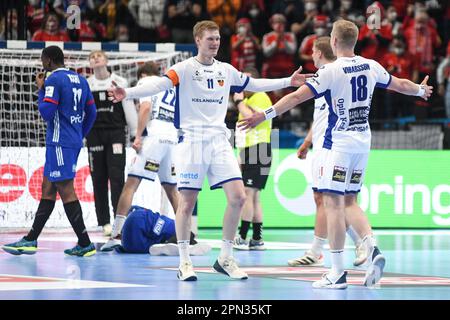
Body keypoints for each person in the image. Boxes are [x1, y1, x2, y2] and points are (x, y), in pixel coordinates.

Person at [107, 20, 312, 281]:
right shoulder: (183, 68)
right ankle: (184, 261)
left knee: (238, 197)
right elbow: (157, 85)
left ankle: (225, 257)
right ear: (198, 41)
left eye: (217, 38)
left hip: (219, 140)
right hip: (192, 141)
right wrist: (128, 93)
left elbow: (255, 83)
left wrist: (288, 80)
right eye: (210, 39)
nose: (215, 42)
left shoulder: (226, 70)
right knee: (187, 203)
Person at [239, 19, 432, 289]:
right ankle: (371, 247)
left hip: (337, 144)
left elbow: (295, 98)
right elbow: (399, 84)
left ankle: (337, 273)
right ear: (354, 41)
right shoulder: (371, 65)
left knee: (333, 203)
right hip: (362, 142)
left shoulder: (331, 71)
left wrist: (265, 114)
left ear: (333, 41)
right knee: (350, 200)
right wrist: (421, 90)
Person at [1, 46, 97, 257]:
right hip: (70, 141)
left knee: (65, 189)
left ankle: (85, 243)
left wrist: (41, 88)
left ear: (50, 61)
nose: (42, 64)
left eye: (43, 60)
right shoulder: (81, 79)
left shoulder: (53, 80)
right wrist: (79, 133)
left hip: (59, 142)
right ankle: (30, 240)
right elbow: (92, 112)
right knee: (48, 189)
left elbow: (46, 112)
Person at [286, 37, 366, 268]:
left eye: (312, 51)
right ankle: (318, 251)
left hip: (335, 147)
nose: (310, 55)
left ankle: (358, 243)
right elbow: (321, 117)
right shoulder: (323, 77)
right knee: (322, 198)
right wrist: (308, 141)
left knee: (337, 199)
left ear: (320, 53)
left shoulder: (333, 75)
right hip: (321, 145)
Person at [100, 61, 194, 251]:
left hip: (155, 137)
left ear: (142, 75)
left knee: (130, 185)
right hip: (172, 139)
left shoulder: (146, 83)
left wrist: (138, 136)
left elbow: (145, 108)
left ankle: (116, 234)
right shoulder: (170, 86)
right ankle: (185, 235)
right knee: (171, 188)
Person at [87, 50, 137, 237]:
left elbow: (128, 108)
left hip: (115, 134)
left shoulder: (119, 82)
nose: (96, 58)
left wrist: (134, 134)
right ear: (90, 64)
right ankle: (104, 222)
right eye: (92, 57)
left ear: (106, 60)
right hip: (94, 135)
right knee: (98, 179)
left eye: (99, 56)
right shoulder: (87, 84)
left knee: (117, 178)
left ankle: (119, 221)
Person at [232, 66, 272, 251]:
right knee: (254, 196)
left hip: (259, 149)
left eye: (247, 80)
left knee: (249, 194)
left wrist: (239, 103)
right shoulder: (249, 99)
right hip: (248, 150)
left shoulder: (260, 96)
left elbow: (253, 119)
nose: (243, 85)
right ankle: (257, 239)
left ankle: (242, 237)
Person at [113, 205, 211, 256]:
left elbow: (132, 209)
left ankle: (170, 244)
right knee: (168, 231)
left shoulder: (164, 221)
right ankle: (177, 244)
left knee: (161, 230)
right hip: (137, 245)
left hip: (127, 244)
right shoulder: (172, 225)